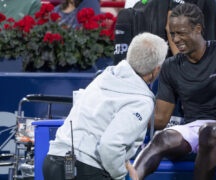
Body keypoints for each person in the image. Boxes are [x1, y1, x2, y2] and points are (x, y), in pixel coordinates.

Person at [42, 32, 168, 180]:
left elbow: (99, 126)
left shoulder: (104, 76)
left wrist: (125, 163)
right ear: (156, 70)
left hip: (53, 161)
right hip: (85, 169)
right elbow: (110, 146)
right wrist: (121, 175)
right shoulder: (141, 101)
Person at [133, 3, 216, 180]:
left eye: (181, 33)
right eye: (172, 34)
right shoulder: (171, 66)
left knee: (209, 132)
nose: (175, 39)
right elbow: (160, 119)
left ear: (198, 29)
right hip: (195, 128)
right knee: (162, 138)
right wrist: (128, 116)